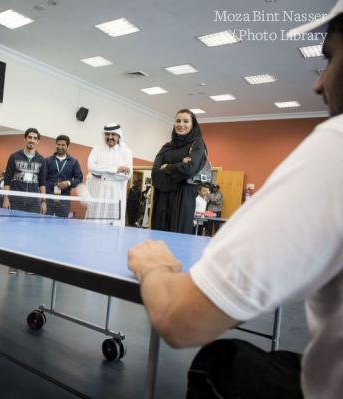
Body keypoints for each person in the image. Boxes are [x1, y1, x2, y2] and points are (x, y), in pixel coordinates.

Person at [127, 7, 343, 399]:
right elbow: (161, 173)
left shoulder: (336, 145)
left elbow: (180, 320)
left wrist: (153, 267)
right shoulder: (165, 149)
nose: (318, 84)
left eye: (329, 58)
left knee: (219, 360)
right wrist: (173, 170)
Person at [151, 109, 207, 234]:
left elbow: (190, 169)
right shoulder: (166, 147)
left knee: (178, 240)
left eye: (186, 121)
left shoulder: (197, 144)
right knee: (158, 237)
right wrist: (180, 166)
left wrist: (167, 167)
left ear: (193, 125)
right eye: (178, 121)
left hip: (183, 198)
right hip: (162, 199)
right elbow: (155, 174)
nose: (181, 124)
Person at [3, 128, 47, 274]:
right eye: (30, 137)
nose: (32, 140)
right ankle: (13, 264)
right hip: (15, 199)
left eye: (35, 138)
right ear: (25, 138)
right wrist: (6, 198)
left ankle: (28, 264)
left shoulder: (41, 160)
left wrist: (43, 201)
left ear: (38, 141)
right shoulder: (14, 156)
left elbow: (42, 182)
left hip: (33, 201)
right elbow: (7, 179)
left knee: (31, 233)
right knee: (14, 232)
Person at [85, 123, 133, 226]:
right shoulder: (96, 150)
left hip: (115, 196)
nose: (110, 137)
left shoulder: (127, 152)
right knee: (94, 225)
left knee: (113, 227)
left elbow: (126, 176)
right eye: (107, 134)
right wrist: (115, 170)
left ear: (119, 136)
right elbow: (91, 167)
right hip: (97, 195)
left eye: (113, 134)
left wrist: (101, 174)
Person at [45, 134, 83, 217]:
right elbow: (43, 179)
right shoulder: (48, 160)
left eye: (63, 145)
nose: (60, 147)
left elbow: (79, 179)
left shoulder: (74, 162)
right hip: (48, 197)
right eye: (58, 144)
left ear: (68, 147)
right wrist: (48, 193)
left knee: (62, 225)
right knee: (45, 223)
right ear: (56, 145)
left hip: (64, 199)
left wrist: (68, 183)